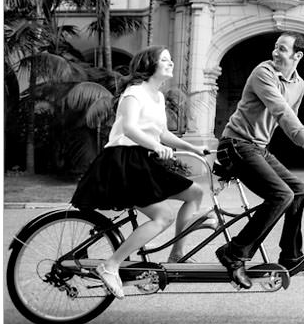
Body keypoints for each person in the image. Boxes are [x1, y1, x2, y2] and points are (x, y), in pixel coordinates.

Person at [71, 45, 210, 299]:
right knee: (162, 217)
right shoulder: (134, 93)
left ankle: (177, 255)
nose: (170, 63)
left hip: (142, 159)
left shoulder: (157, 96)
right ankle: (110, 265)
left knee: (195, 193)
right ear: (150, 65)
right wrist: (156, 146)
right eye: (164, 60)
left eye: (170, 59)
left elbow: (163, 134)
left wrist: (194, 148)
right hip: (123, 160)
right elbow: (130, 128)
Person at [215, 31, 304, 288]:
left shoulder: (299, 84)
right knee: (281, 195)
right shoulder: (263, 72)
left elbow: (291, 119)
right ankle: (234, 253)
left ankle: (290, 257)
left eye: (282, 49)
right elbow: (279, 110)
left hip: (258, 147)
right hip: (236, 144)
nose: (275, 53)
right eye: (276, 47)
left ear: (297, 55)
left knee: (299, 190)